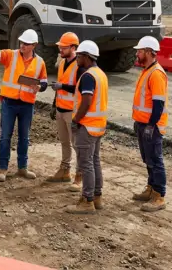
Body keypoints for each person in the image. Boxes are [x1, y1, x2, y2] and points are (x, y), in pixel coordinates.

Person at [0, 30, 48, 182]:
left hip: (27, 105)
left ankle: (22, 168)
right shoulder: (11, 55)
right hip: (9, 103)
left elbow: (43, 81)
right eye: (21, 42)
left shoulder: (40, 62)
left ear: (34, 45)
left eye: (26, 43)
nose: (22, 45)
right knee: (5, 137)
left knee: (24, 138)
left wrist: (40, 87)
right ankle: (3, 168)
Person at [66, 40, 108, 214]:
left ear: (86, 57)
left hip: (87, 126)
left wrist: (76, 119)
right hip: (98, 126)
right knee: (94, 162)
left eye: (79, 56)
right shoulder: (101, 74)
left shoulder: (88, 76)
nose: (76, 59)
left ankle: (87, 200)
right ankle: (97, 197)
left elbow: (87, 101)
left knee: (86, 164)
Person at [130, 36, 168, 212]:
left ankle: (159, 195)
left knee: (155, 159)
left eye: (139, 51)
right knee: (148, 159)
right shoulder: (146, 71)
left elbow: (158, 104)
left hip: (151, 126)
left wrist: (151, 126)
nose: (137, 53)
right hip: (143, 123)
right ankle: (151, 188)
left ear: (148, 52)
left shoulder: (156, 74)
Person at [45, 32, 85, 188]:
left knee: (76, 145)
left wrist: (62, 87)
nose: (60, 49)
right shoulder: (62, 63)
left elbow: (80, 88)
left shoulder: (80, 66)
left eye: (63, 47)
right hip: (61, 110)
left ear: (73, 47)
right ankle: (64, 171)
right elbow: (59, 85)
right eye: (60, 47)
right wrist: (54, 105)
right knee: (64, 142)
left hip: (72, 112)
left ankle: (79, 176)